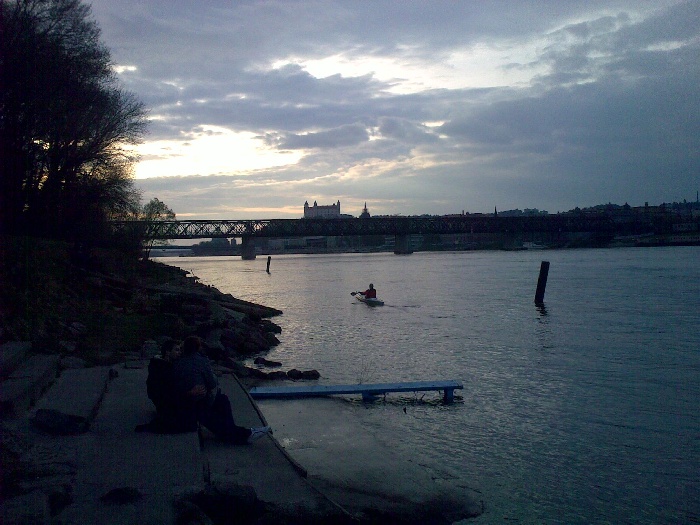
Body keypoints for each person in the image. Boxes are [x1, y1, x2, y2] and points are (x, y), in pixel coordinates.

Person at [171, 335, 271, 444]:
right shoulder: (199, 361)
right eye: (176, 349)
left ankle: (233, 431)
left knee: (222, 400)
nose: (179, 351)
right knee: (213, 406)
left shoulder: (177, 362)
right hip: (191, 403)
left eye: (179, 349)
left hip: (190, 399)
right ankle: (245, 434)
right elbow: (212, 383)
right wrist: (190, 391)